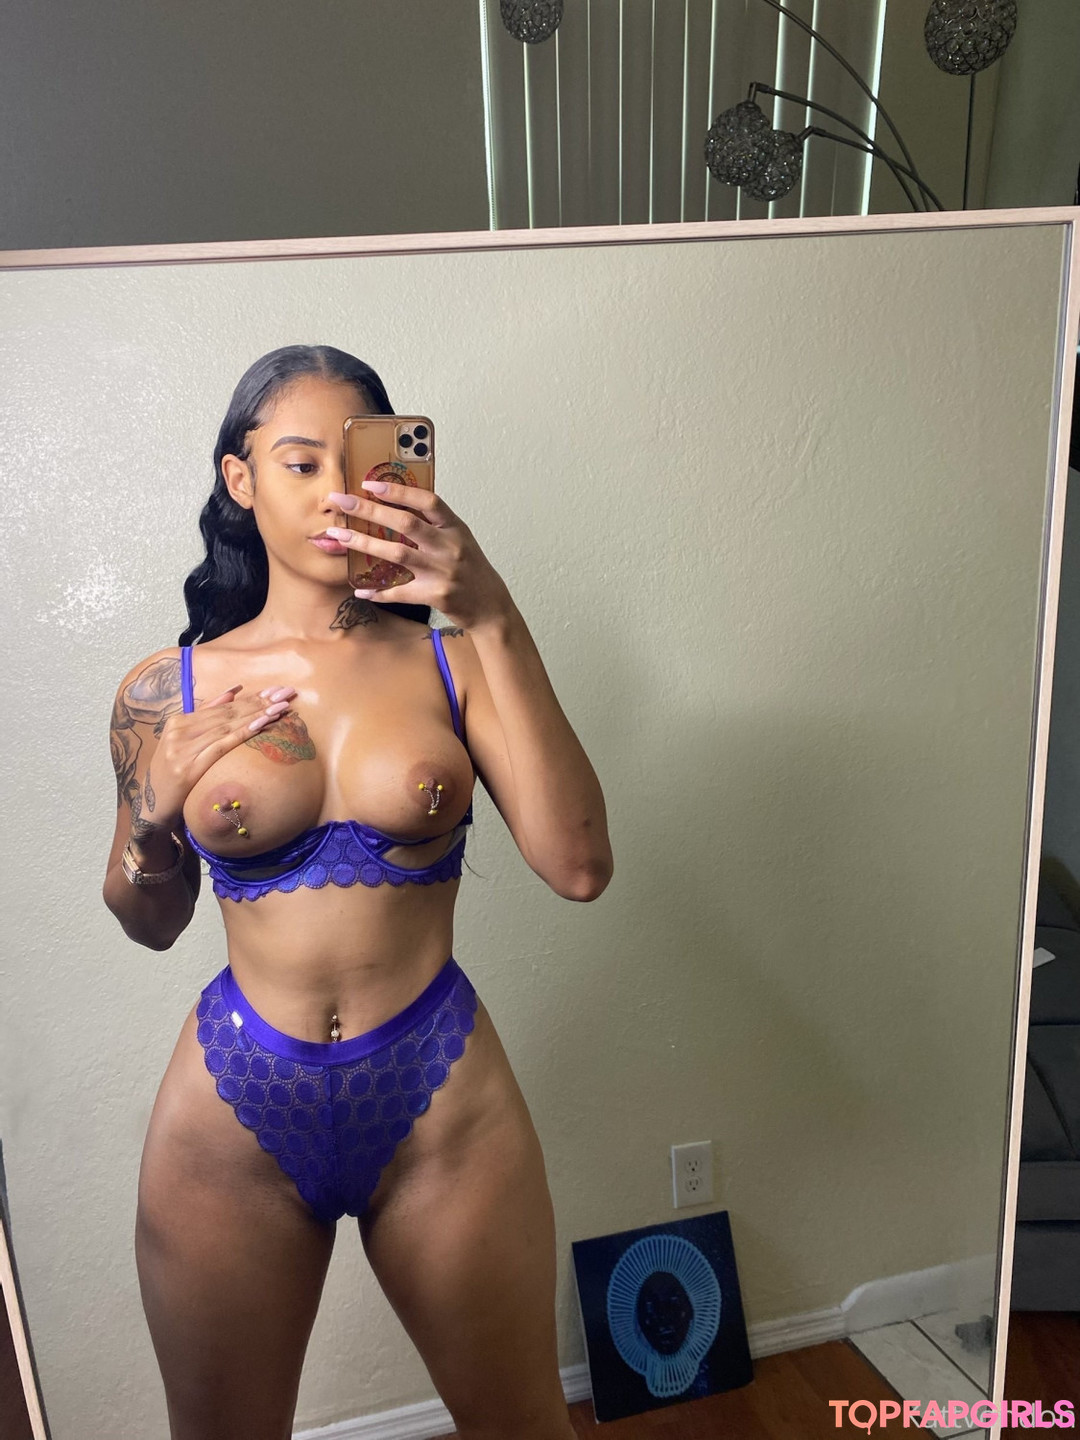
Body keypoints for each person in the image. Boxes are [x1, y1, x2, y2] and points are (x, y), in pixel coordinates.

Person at [102, 344, 613, 1440]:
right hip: (232, 1108)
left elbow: (579, 866)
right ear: (240, 479)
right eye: (300, 465)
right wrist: (151, 815)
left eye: (359, 465)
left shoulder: (453, 662)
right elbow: (149, 920)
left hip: (439, 1096)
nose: (336, 497)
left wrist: (491, 610)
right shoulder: (165, 690)